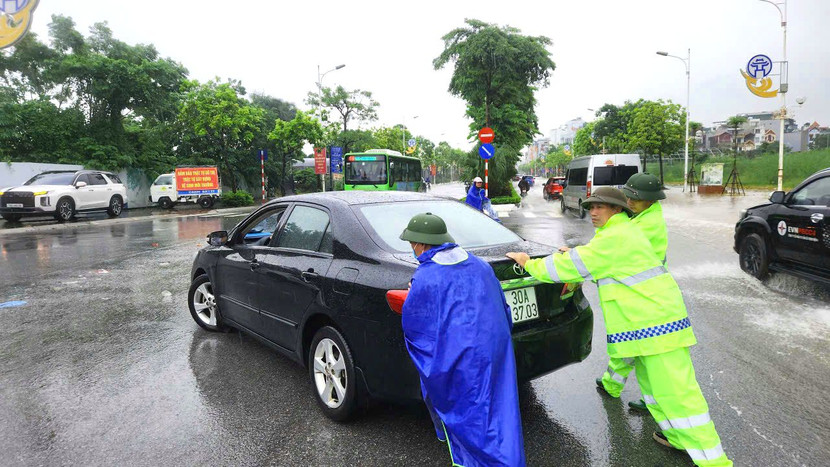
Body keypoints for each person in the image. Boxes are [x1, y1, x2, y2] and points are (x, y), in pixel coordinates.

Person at [506, 187, 732, 467]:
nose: (593, 212)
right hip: (648, 327)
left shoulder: (614, 238)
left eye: (600, 207)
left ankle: (715, 461)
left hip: (658, 326)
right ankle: (677, 437)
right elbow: (599, 261)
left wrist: (529, 263)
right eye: (590, 208)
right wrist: (577, 254)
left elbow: (565, 269)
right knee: (655, 391)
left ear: (617, 209)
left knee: (680, 395)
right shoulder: (619, 234)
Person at [400, 213, 525, 467]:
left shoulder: (425, 277)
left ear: (422, 245)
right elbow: (503, 309)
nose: (412, 248)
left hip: (458, 359)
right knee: (499, 411)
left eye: (412, 243)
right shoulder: (480, 265)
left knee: (467, 416)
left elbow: (416, 327)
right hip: (494, 350)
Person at [597, 172, 668, 411]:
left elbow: (612, 250)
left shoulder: (647, 225)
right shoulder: (641, 217)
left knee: (646, 354)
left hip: (643, 296)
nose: (629, 202)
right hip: (635, 293)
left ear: (652, 200)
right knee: (627, 344)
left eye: (635, 199)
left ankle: (653, 402)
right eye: (627, 197)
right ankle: (611, 384)